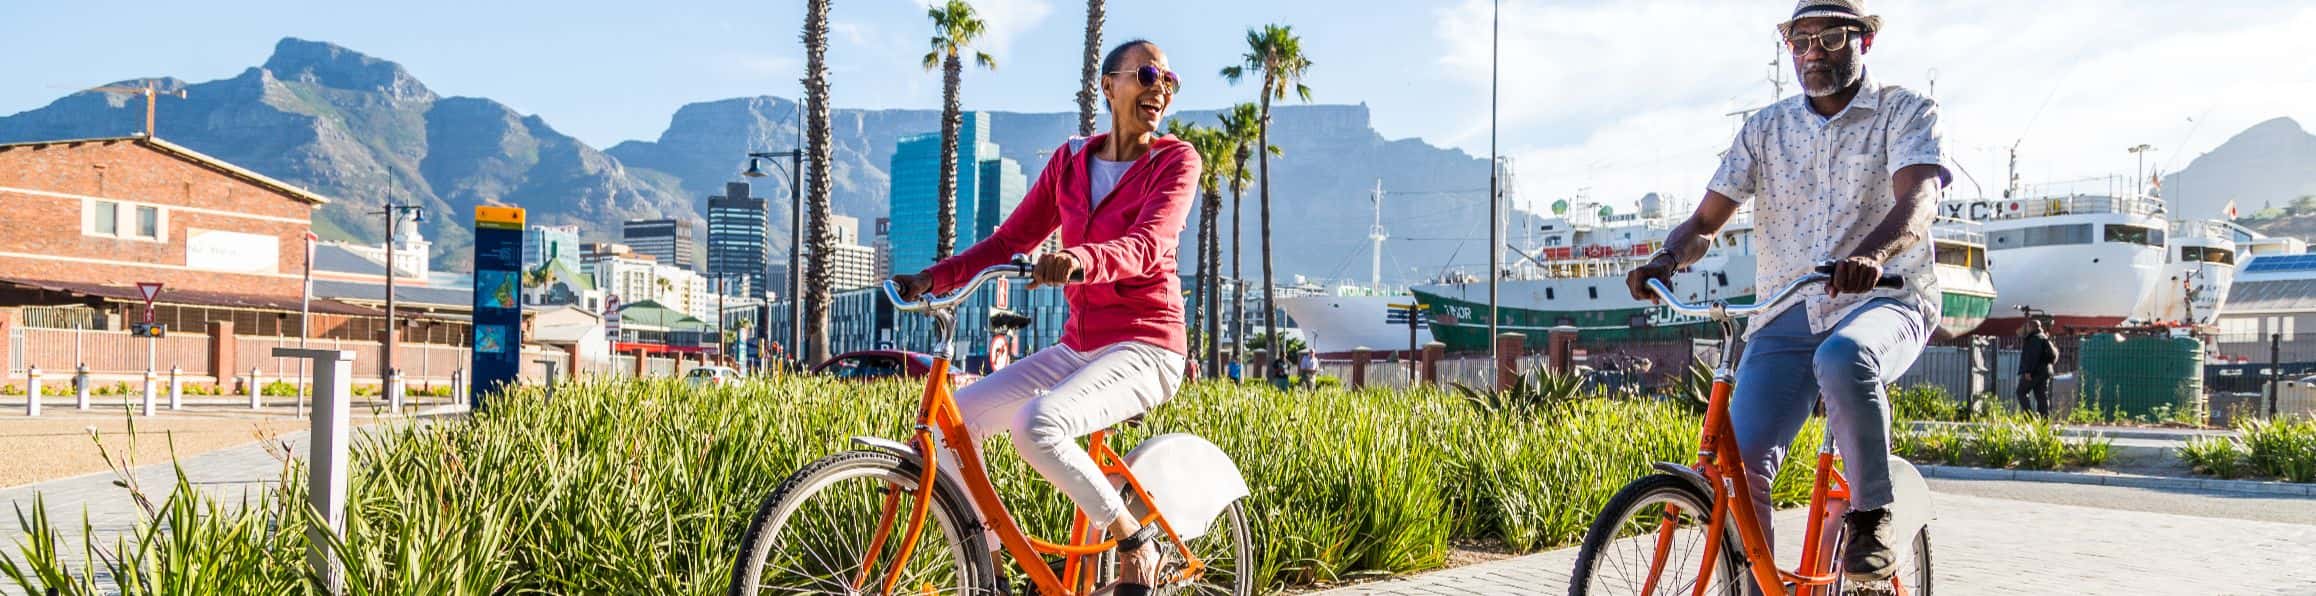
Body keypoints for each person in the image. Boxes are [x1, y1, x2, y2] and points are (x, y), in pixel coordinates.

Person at [1625, 0, 1945, 583]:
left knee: (1845, 357)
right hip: (1788, 308)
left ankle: (1873, 515)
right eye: (1799, 41)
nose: (1812, 52)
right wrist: (1667, 259)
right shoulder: (1764, 129)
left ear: (1864, 41)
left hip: (1887, 298)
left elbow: (1918, 199)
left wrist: (1870, 256)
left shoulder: (1903, 111)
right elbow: (1705, 221)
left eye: (1829, 38)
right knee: (1738, 469)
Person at [889, 39, 1191, 595]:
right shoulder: (1071, 161)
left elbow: (1148, 245)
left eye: (1170, 82)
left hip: (1148, 345)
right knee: (949, 428)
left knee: (1036, 424)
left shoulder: (1175, 161)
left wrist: (1078, 259)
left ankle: (1135, 542)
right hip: (1080, 345)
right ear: (1109, 85)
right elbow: (1010, 241)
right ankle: (991, 567)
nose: (1160, 89)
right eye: (1149, 74)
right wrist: (934, 278)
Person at [2017, 319, 2057, 417]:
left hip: (2035, 372)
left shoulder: (2034, 339)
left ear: (2031, 327)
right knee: (2041, 396)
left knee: (2021, 392)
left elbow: (2032, 356)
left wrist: (2027, 371)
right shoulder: (2044, 337)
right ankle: (2044, 421)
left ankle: (2029, 417)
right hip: (2045, 371)